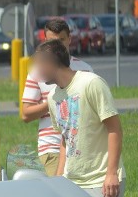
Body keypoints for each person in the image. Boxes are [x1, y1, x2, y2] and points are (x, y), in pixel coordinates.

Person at [33, 39, 125, 197]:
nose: (36, 71)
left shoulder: (90, 83)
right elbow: (65, 139)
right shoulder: (53, 97)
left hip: (100, 182)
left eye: (39, 64)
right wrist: (58, 179)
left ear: (51, 63)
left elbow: (115, 129)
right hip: (72, 183)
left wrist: (111, 174)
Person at [21, 18, 93, 176]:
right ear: (45, 41)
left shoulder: (85, 70)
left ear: (70, 39)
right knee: (58, 195)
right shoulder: (37, 71)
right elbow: (26, 114)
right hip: (52, 147)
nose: (58, 45)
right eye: (53, 41)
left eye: (62, 40)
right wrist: (53, 102)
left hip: (82, 146)